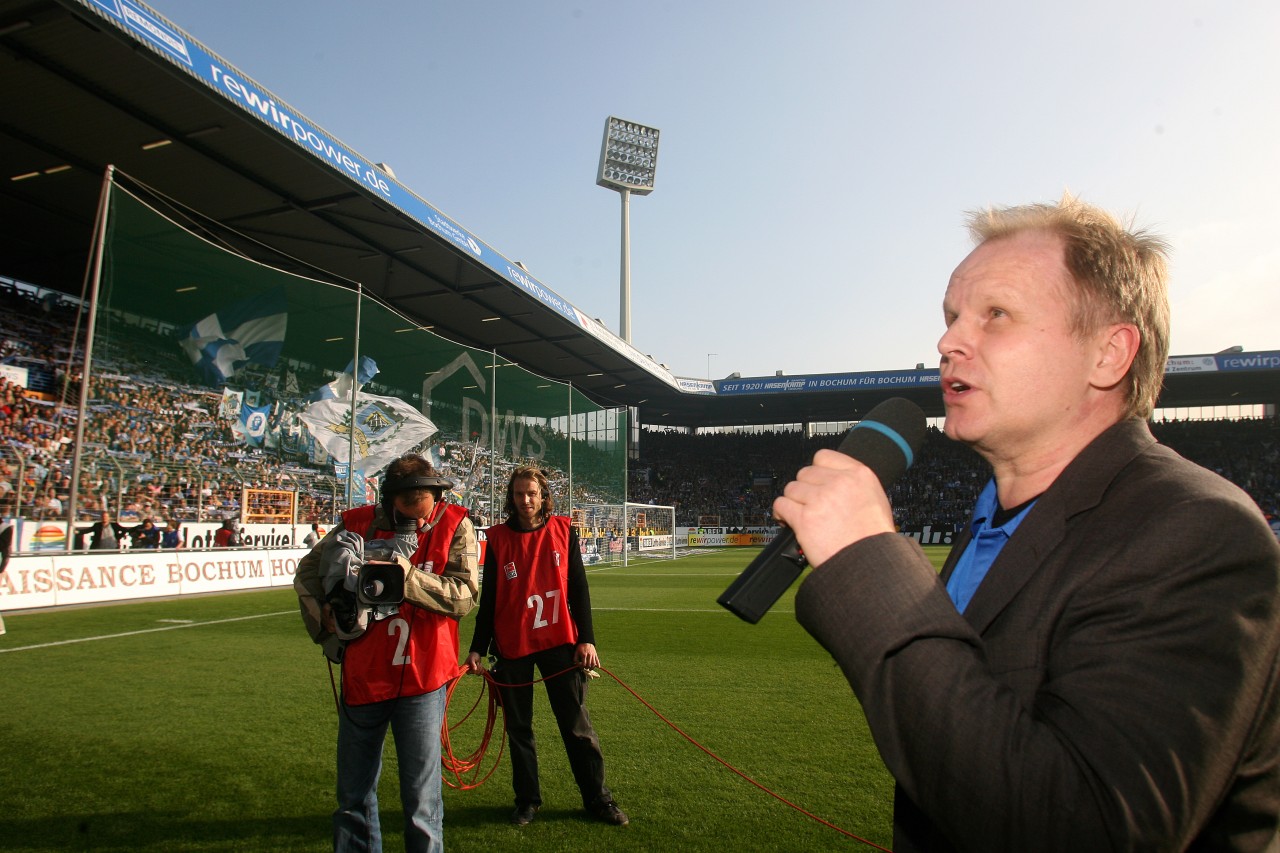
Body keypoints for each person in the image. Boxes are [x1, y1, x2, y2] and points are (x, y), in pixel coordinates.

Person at [773, 195, 1280, 852]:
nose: (949, 340)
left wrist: (872, 557)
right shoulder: (992, 517)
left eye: (997, 315)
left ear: (1108, 352)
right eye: (952, 316)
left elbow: (1087, 826)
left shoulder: (1200, 532)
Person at [294, 453, 478, 853]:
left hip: (424, 680)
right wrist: (326, 618)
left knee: (421, 802)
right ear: (390, 498)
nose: (420, 516)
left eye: (427, 503)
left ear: (436, 493)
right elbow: (307, 573)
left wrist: (406, 577)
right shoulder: (354, 523)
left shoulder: (455, 524)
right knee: (353, 798)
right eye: (409, 506)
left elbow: (463, 597)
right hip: (363, 677)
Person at [464, 465, 628, 828]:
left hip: (559, 643)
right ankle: (527, 801)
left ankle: (598, 799)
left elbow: (579, 589)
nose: (525, 500)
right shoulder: (498, 539)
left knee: (576, 726)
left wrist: (587, 638)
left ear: (543, 496)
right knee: (519, 730)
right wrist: (478, 647)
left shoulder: (563, 530)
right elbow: (489, 600)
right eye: (519, 494)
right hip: (512, 646)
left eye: (532, 493)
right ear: (511, 497)